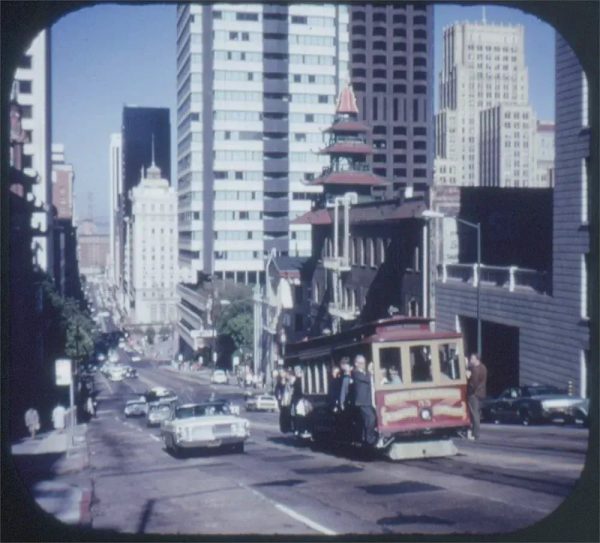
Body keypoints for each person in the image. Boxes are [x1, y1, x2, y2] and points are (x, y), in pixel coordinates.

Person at [352, 355, 377, 446]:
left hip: (369, 400)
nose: (363, 365)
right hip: (362, 401)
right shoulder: (355, 373)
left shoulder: (364, 372)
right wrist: (370, 371)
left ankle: (368, 437)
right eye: (361, 363)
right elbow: (367, 379)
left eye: (364, 363)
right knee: (371, 418)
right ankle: (370, 439)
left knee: (371, 419)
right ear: (356, 364)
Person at [466, 353, 488, 440]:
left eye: (472, 359)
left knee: (474, 414)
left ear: (476, 359)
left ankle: (475, 433)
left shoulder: (475, 370)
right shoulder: (483, 367)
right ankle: (475, 433)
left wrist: (468, 378)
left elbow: (473, 383)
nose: (470, 360)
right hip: (481, 393)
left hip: (474, 394)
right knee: (477, 413)